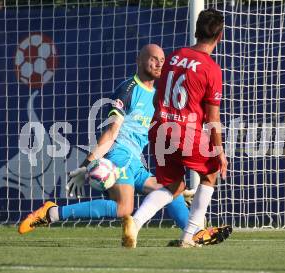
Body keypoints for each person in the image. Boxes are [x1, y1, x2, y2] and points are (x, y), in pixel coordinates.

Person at [18, 44, 228, 246]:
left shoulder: (162, 94)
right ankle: (51, 213)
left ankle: (192, 235)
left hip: (135, 162)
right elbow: (111, 132)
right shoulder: (128, 89)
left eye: (162, 60)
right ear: (139, 60)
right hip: (119, 155)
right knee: (124, 208)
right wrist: (88, 163)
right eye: (153, 58)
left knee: (170, 190)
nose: (158, 64)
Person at [122, 9, 230, 248]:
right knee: (211, 171)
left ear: (196, 31)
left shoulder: (174, 56)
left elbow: (156, 97)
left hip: (160, 128)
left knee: (174, 186)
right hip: (185, 131)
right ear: (219, 36)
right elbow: (213, 117)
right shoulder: (211, 68)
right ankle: (189, 236)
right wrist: (219, 151)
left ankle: (135, 223)